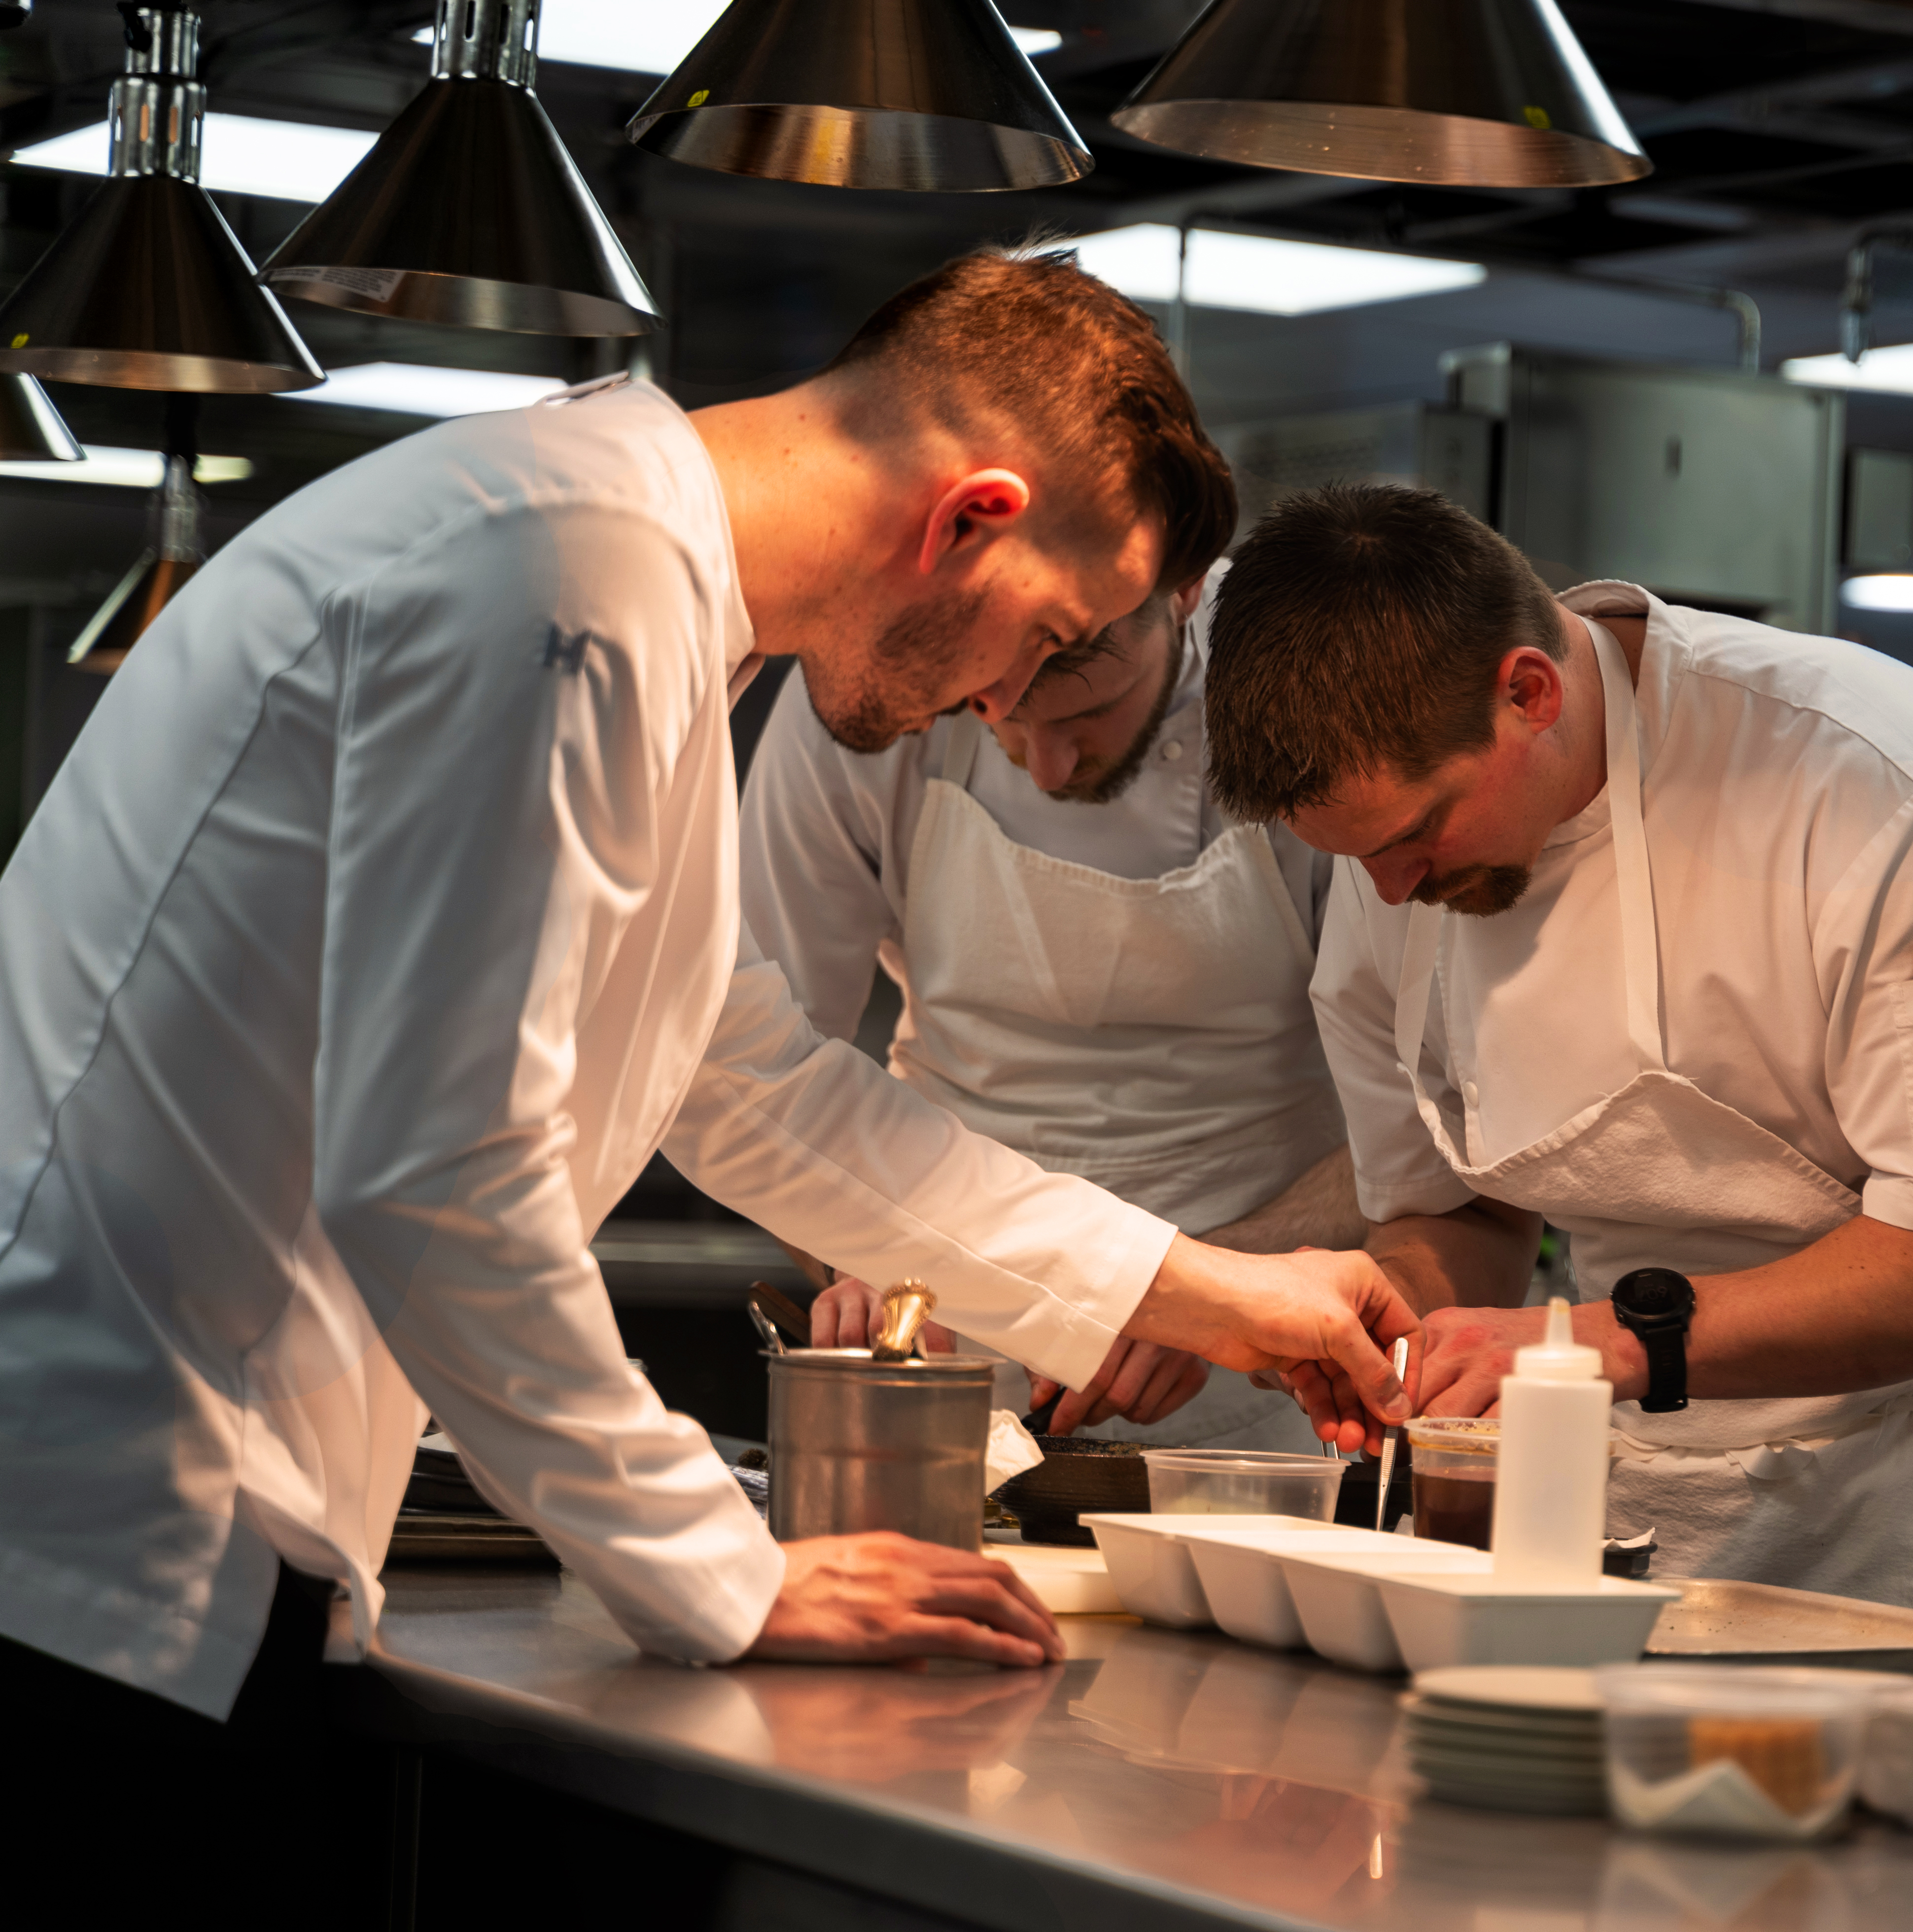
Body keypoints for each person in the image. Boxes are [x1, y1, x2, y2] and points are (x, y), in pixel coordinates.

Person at [0, 248, 1417, 1800]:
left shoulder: (640, 596)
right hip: (102, 1524)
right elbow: (434, 1175)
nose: (1012, 701)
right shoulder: (563, 580)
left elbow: (743, 1085)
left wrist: (1200, 1288)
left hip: (156, 1516)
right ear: (970, 519)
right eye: (1049, 629)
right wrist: (717, 1569)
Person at [1203, 483, 1913, 1629]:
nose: (1393, 890)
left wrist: (1585, 1342)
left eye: (1414, 836)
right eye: (1357, 862)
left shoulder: (1887, 782)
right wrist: (1396, 1329)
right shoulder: (1388, 864)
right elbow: (1465, 1215)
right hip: (1627, 1477)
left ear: (1529, 693)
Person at [741, 559, 1360, 1448]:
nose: (1045, 767)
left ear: (1182, 592)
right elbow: (765, 1069)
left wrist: (1213, 1290)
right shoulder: (874, 690)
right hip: (937, 1354)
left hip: (1252, 1386)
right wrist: (858, 1256)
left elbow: (1415, 1131)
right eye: (997, 720)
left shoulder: (1306, 681)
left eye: (1086, 716)